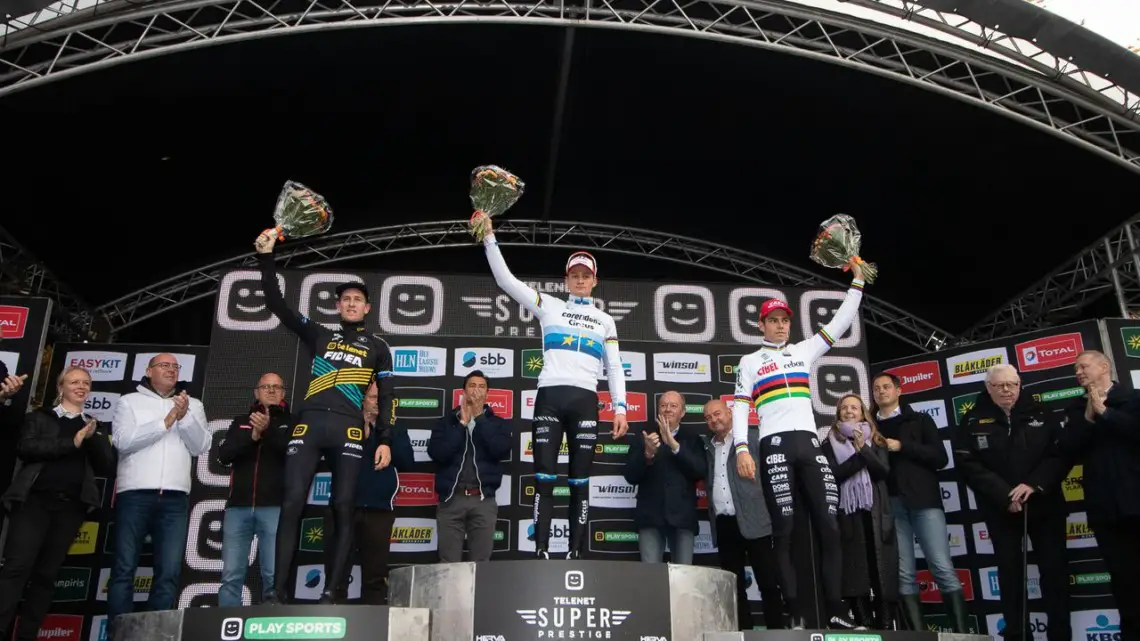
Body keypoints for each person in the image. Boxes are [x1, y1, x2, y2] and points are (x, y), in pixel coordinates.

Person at [254, 230, 397, 603]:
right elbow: (277, 305)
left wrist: (384, 439)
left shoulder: (378, 347)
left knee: (342, 506)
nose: (351, 304)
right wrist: (266, 259)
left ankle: (332, 591)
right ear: (338, 307)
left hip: (350, 429)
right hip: (311, 423)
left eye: (357, 300)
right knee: (293, 501)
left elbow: (388, 396)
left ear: (367, 309)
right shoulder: (320, 336)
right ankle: (275, 591)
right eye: (345, 299)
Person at [476, 215, 629, 559]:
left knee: (579, 482)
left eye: (585, 276)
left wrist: (620, 407)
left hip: (586, 402)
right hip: (550, 398)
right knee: (544, 479)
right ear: (566, 280)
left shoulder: (606, 321)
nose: (579, 280)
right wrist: (489, 237)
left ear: (594, 281)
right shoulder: (550, 307)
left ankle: (575, 554)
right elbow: (506, 280)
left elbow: (614, 367)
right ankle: (541, 551)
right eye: (574, 275)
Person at [731, 259, 865, 629]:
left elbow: (840, 322)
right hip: (773, 446)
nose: (780, 325)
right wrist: (742, 448)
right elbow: (740, 410)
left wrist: (857, 282)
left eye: (784, 320)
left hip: (808, 444)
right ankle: (795, 612)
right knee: (784, 530)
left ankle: (836, 608)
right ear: (761, 325)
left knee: (830, 525)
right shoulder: (749, 362)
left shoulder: (804, 351)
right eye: (773, 320)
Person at [953, 364, 1071, 641]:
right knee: (1009, 574)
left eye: (1012, 384)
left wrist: (1033, 485)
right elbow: (967, 463)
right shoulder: (971, 420)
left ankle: (1061, 636)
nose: (1007, 390)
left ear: (1020, 385)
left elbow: (1060, 454)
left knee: (1054, 573)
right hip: (1001, 507)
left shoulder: (1041, 413)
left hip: (1045, 503)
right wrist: (1005, 494)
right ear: (988, 388)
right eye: (1000, 385)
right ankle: (1017, 635)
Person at [0, 366, 112, 641]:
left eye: (86, 383)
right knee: (16, 568)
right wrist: (71, 442)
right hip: (34, 503)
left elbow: (107, 464)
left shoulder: (93, 425)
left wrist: (91, 437)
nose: (81, 386)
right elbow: (27, 448)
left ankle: (26, 635)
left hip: (70, 508)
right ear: (60, 387)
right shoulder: (39, 417)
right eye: (74, 381)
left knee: (46, 575)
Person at [109, 353, 210, 627]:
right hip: (135, 495)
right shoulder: (129, 402)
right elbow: (123, 442)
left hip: (175, 499)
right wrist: (166, 421)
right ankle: (120, 631)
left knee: (168, 572)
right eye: (164, 365)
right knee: (124, 569)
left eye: (175, 367)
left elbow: (201, 447)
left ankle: (155, 633)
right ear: (149, 370)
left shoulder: (193, 404)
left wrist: (184, 416)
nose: (171, 370)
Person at [871, 372, 968, 632]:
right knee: (904, 575)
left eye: (886, 387)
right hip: (890, 504)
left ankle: (961, 635)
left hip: (925, 501)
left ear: (899, 390)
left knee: (941, 567)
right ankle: (918, 635)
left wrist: (903, 446)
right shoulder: (869, 427)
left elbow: (940, 458)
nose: (881, 392)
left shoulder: (920, 419)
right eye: (876, 388)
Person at [1062, 351, 1140, 641]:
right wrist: (1089, 417)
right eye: (1075, 369)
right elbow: (1069, 449)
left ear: (1104, 366)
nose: (1078, 372)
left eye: (1083, 366)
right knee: (1123, 582)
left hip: (1136, 501)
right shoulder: (1075, 410)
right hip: (1105, 510)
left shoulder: (1134, 399)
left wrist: (1105, 412)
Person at [701, 399, 785, 630]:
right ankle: (744, 633)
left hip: (755, 518)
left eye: (717, 414)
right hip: (724, 522)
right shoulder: (708, 446)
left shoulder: (751, 437)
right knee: (733, 586)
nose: (713, 419)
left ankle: (776, 632)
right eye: (708, 417)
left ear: (729, 413)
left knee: (768, 581)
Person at [820, 394, 898, 630]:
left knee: (882, 571)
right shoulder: (828, 444)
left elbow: (882, 471)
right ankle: (863, 623)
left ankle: (885, 626)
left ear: (863, 412)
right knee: (855, 572)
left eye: (854, 407)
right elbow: (834, 475)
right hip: (848, 513)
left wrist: (864, 449)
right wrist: (861, 454)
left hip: (876, 512)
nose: (849, 411)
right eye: (844, 408)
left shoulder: (877, 440)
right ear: (838, 414)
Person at [215, 372, 292, 606]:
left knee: (273, 576)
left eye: (276, 387)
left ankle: (271, 630)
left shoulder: (293, 422)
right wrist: (253, 435)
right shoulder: (241, 420)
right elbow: (224, 455)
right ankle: (226, 629)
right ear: (256, 392)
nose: (271, 390)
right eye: (266, 386)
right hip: (238, 508)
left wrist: (267, 432)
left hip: (275, 508)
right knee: (230, 576)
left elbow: (292, 454)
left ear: (283, 393)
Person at [429, 370, 512, 563]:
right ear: (464, 392)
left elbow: (500, 451)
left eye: (481, 387)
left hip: (483, 500)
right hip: (451, 499)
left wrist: (480, 419)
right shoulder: (446, 422)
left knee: (481, 564)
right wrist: (462, 424)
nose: (476, 391)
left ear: (487, 394)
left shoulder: (498, 424)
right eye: (472, 386)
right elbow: (438, 453)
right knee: (448, 565)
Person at [624, 391, 707, 564]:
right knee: (650, 578)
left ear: (683, 412)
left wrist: (675, 446)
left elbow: (700, 470)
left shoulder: (692, 438)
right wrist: (647, 454)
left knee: (684, 577)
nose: (668, 409)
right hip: (650, 517)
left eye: (673, 406)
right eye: (663, 405)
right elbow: (630, 476)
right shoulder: (644, 435)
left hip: (682, 518)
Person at [354, 382, 415, 604]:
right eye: (372, 398)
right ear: (362, 400)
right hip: (344, 508)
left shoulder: (395, 428)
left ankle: (373, 625)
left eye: (381, 399)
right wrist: (363, 429)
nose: (377, 403)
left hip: (380, 510)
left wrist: (386, 437)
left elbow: (408, 462)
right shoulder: (346, 425)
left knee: (375, 574)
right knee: (337, 572)